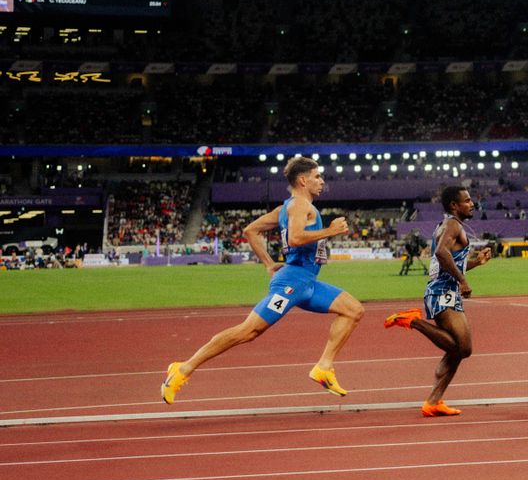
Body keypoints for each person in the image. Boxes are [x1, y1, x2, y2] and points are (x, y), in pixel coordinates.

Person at [160, 155, 366, 403]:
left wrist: (269, 264)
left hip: (307, 283)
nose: (322, 181)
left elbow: (250, 230)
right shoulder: (300, 205)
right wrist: (331, 231)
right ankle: (183, 369)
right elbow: (296, 239)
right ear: (303, 180)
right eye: (317, 177)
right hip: (291, 284)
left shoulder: (285, 208)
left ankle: (324, 367)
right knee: (248, 331)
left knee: (353, 310)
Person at [383, 185, 489, 416]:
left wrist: (476, 263)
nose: (472, 204)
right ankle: (413, 321)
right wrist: (462, 281)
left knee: (457, 351)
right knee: (464, 348)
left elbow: (447, 262)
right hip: (443, 292)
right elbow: (442, 254)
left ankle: (433, 401)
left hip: (442, 290)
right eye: (467, 200)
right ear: (454, 205)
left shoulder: (446, 225)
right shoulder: (452, 224)